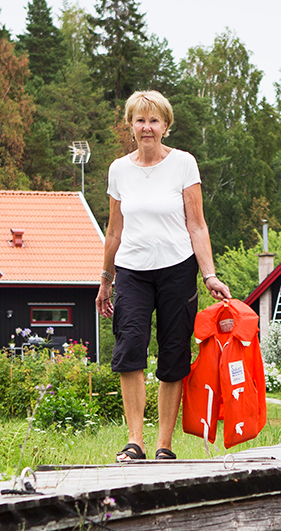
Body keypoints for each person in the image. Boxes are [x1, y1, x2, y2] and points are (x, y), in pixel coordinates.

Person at [96, 90, 231, 462]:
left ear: (166, 126)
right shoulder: (119, 169)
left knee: (173, 355)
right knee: (130, 351)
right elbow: (114, 231)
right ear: (131, 126)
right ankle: (135, 442)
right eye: (140, 120)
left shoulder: (184, 164)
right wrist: (105, 280)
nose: (147, 127)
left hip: (177, 270)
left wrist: (210, 276)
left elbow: (197, 225)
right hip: (132, 272)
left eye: (154, 120)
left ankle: (164, 445)